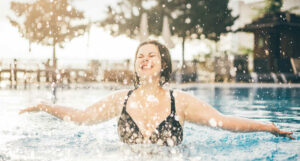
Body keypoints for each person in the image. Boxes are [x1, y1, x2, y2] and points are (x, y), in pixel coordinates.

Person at [19, 40, 294, 146]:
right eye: (140, 56)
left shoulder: (180, 102)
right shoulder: (121, 99)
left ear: (164, 64)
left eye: (151, 55)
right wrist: (46, 105)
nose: (144, 59)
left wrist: (265, 126)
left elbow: (224, 122)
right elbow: (80, 117)